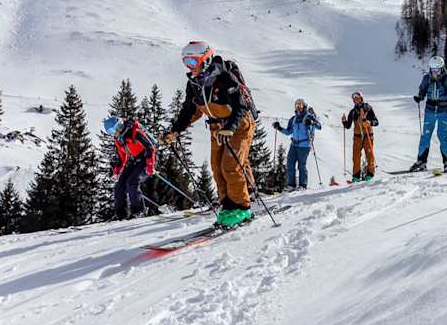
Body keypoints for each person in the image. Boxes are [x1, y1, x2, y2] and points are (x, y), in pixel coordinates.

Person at [161, 40, 259, 229]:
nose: (190, 67)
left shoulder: (225, 78)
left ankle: (242, 207)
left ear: (205, 59)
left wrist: (230, 127)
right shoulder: (194, 84)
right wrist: (174, 131)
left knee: (230, 166)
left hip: (238, 126)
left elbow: (241, 106)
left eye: (192, 62)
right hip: (217, 129)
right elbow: (188, 110)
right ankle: (228, 206)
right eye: (186, 63)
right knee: (217, 167)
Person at [410, 55, 447, 172]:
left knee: (443, 136)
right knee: (425, 135)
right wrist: (419, 97)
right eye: (432, 69)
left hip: (443, 110)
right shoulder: (427, 78)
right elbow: (422, 90)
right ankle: (421, 161)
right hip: (430, 110)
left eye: (437, 69)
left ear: (442, 68)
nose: (434, 72)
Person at [104, 115, 156, 220]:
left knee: (132, 182)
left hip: (147, 158)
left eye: (112, 130)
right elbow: (121, 157)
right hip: (135, 160)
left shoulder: (134, 132)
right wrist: (116, 172)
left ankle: (138, 211)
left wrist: (150, 165)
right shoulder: (119, 139)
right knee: (119, 186)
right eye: (109, 132)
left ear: (119, 126)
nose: (113, 134)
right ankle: (121, 214)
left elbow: (150, 147)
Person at [272, 98, 321, 190]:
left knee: (301, 165)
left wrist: (312, 122)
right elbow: (288, 132)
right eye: (296, 105)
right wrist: (279, 128)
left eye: (300, 105)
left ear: (304, 106)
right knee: (290, 164)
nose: (298, 107)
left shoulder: (309, 116)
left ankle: (303, 185)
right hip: (294, 145)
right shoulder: (293, 119)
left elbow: (319, 126)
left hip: (304, 145)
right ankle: (291, 185)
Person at [341, 91, 379, 182]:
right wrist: (344, 122)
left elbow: (376, 122)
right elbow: (348, 126)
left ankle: (370, 174)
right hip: (357, 136)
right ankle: (356, 176)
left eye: (357, 98)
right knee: (356, 156)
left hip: (367, 135)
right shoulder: (353, 112)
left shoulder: (368, 108)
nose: (355, 100)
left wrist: (369, 122)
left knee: (369, 155)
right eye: (354, 98)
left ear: (361, 98)